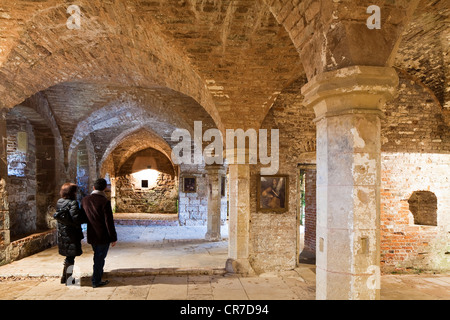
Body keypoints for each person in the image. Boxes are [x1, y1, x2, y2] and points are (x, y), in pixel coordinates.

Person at [82, 178, 117, 288]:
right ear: (105, 188)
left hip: (92, 234)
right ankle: (96, 280)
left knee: (97, 256)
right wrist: (113, 237)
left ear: (93, 187)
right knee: (99, 258)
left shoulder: (85, 200)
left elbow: (82, 218)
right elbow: (109, 222)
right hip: (103, 236)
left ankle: (98, 276)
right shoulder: (105, 202)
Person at [56, 183, 86, 285]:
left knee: (68, 256)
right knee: (70, 257)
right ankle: (68, 279)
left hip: (63, 232)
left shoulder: (59, 201)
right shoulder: (72, 203)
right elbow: (76, 218)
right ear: (72, 192)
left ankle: (64, 278)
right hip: (71, 233)